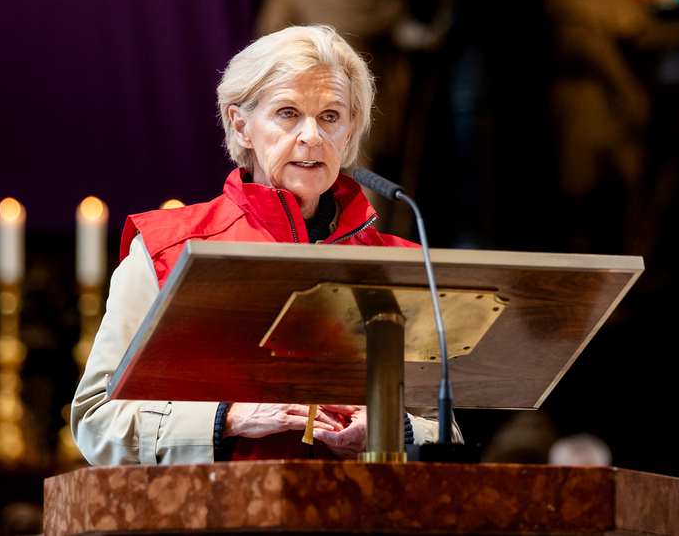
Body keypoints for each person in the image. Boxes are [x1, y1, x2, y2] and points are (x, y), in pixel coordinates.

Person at [71, 25, 459, 466]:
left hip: (362, 506)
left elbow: (446, 430)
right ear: (241, 126)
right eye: (288, 113)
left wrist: (393, 430)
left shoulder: (401, 263)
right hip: (218, 508)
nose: (312, 136)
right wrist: (228, 418)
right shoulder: (169, 250)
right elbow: (96, 420)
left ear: (350, 132)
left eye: (331, 116)